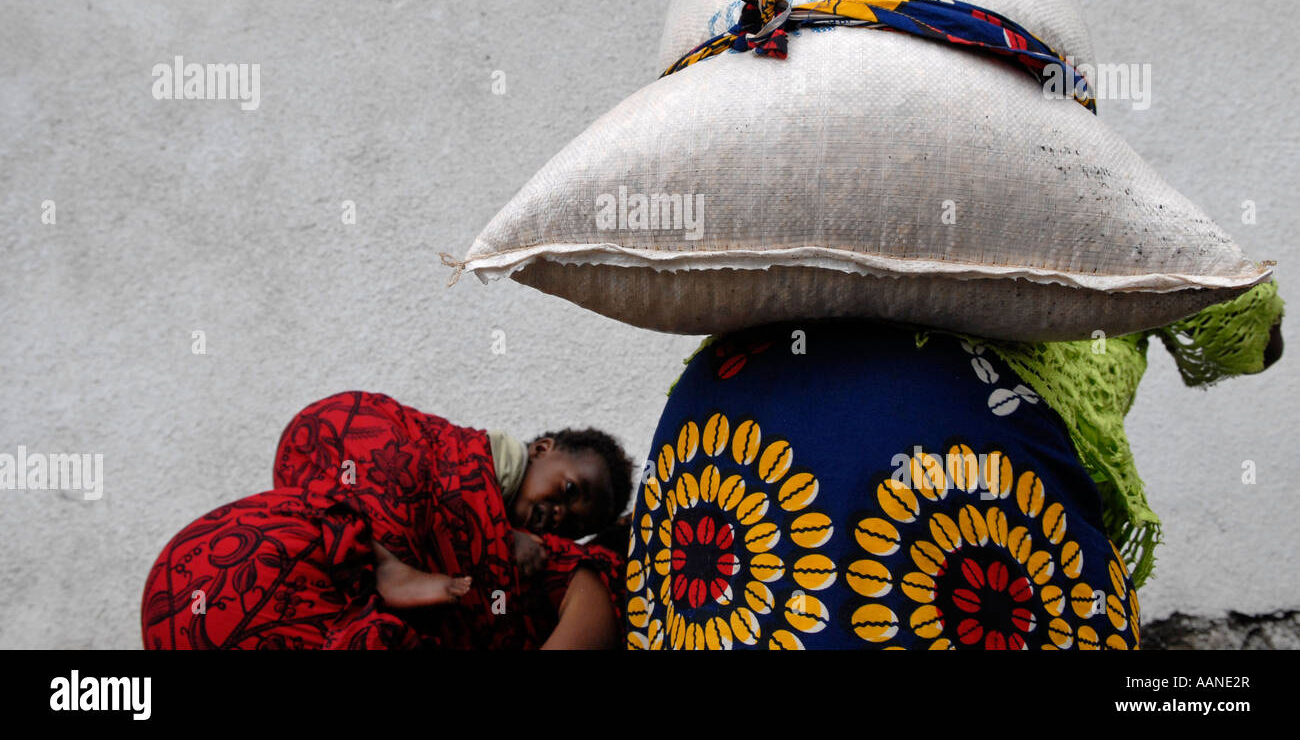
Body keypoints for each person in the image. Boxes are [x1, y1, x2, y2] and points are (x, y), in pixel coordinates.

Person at [627, 281, 1284, 649]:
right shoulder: (1114, 229)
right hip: (968, 429)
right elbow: (1257, 331)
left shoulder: (788, 264)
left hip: (715, 423)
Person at [141, 390, 633, 649]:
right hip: (246, 564)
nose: (558, 514)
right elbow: (450, 483)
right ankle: (382, 561)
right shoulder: (480, 458)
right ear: (542, 449)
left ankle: (380, 561)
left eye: (570, 523)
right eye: (569, 490)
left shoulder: (534, 560)